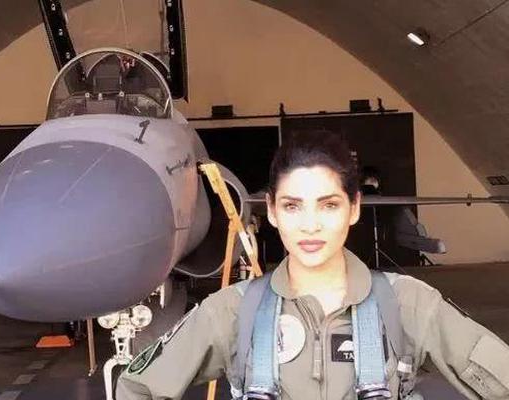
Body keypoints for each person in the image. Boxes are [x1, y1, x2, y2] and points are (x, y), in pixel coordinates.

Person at [116, 133, 509, 399]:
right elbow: (137, 388)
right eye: (292, 206)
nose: (310, 225)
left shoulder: (409, 304)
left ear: (353, 208)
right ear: (272, 211)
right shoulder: (233, 311)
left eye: (329, 205)